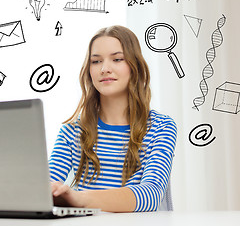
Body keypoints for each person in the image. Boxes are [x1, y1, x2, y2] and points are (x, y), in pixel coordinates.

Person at [49, 25, 177, 212]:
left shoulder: (161, 127)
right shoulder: (72, 131)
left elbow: (151, 194)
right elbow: (47, 185)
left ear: (135, 67)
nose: (104, 69)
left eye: (117, 59)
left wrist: (79, 198)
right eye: (96, 61)